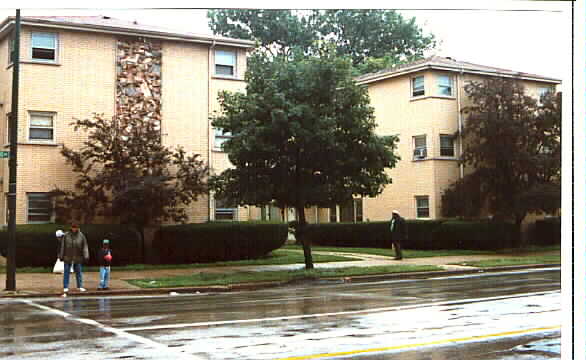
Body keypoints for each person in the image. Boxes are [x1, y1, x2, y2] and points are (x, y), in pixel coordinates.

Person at [58, 223, 89, 296]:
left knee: (79, 272)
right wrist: (61, 256)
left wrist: (86, 255)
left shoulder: (81, 236)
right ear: (71, 228)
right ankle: (65, 287)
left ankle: (80, 286)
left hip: (78, 257)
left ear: (78, 228)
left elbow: (84, 246)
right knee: (66, 272)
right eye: (73, 227)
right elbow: (63, 246)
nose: (74, 229)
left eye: (76, 227)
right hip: (67, 256)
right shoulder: (66, 235)